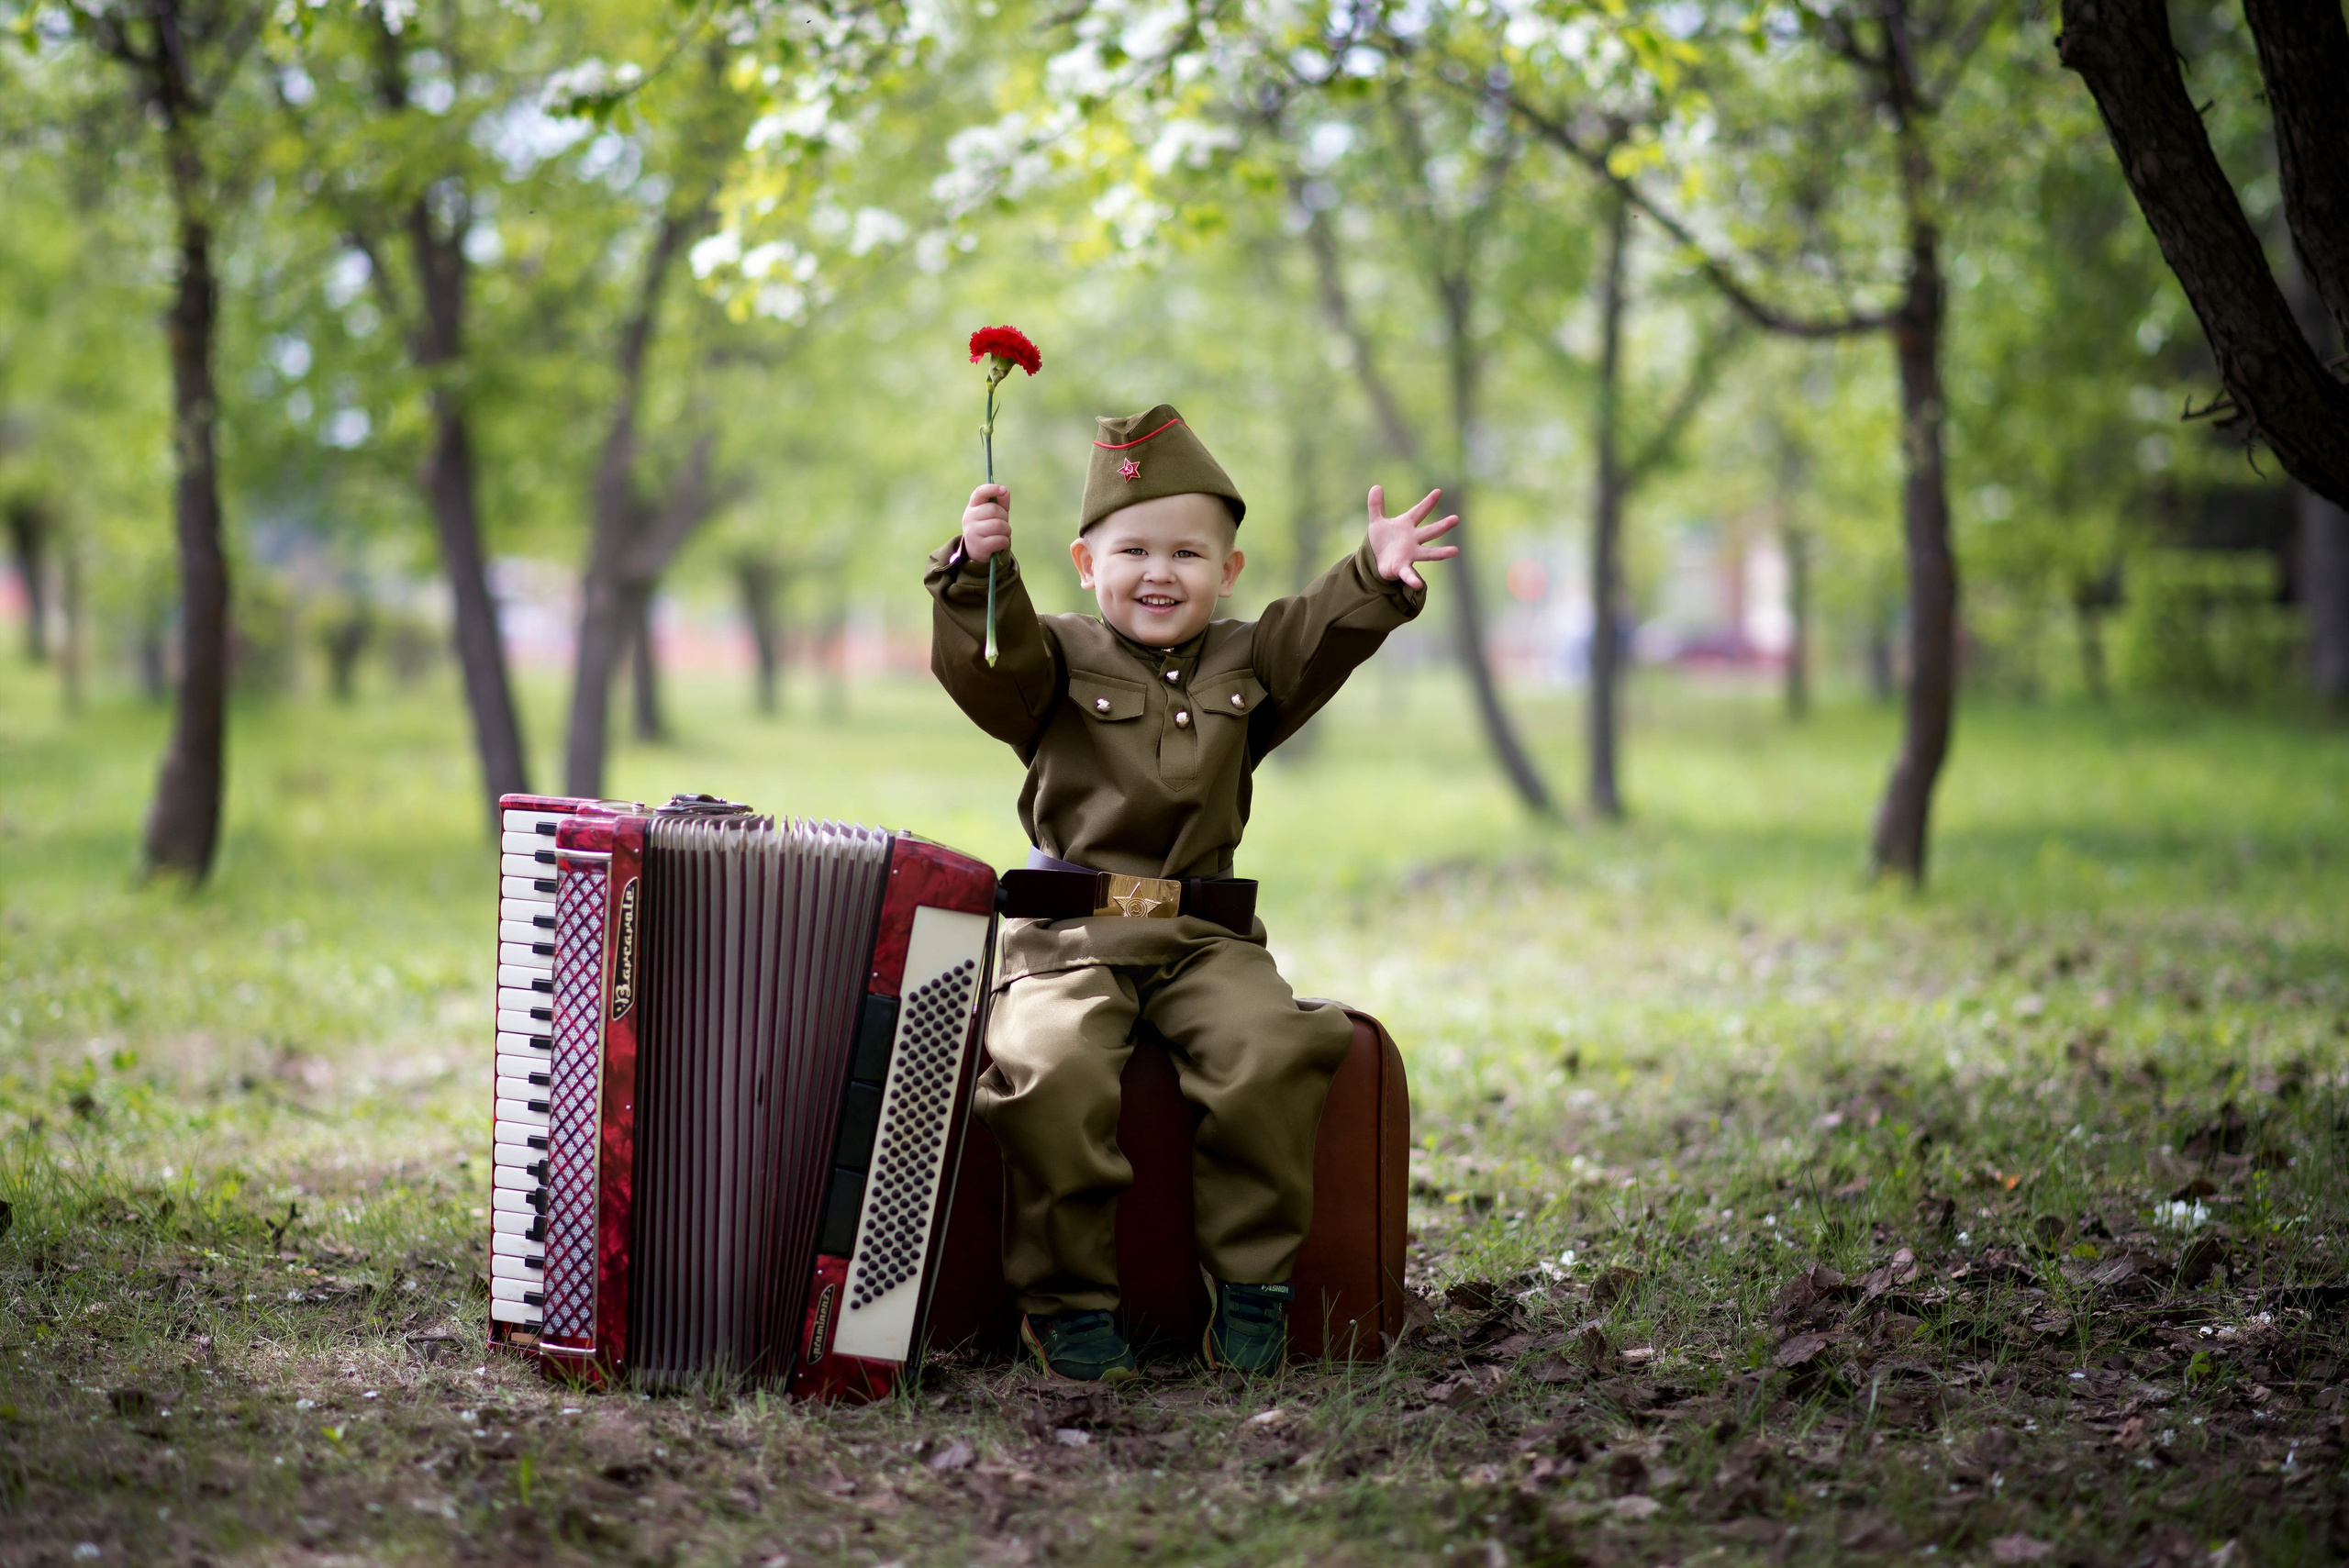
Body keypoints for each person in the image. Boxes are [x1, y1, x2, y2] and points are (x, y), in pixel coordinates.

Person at [924, 403, 1457, 1381]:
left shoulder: (1249, 660)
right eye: (1132, 550)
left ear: (1228, 570)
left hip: (1203, 939)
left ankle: (1253, 1287)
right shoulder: (1055, 655)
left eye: (1186, 553)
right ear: (1086, 564)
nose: (1159, 572)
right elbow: (992, 670)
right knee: (1050, 1066)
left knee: (1272, 1047)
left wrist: (1372, 575)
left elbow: (1316, 635)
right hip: (1069, 937)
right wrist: (975, 572)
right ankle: (1067, 1303)